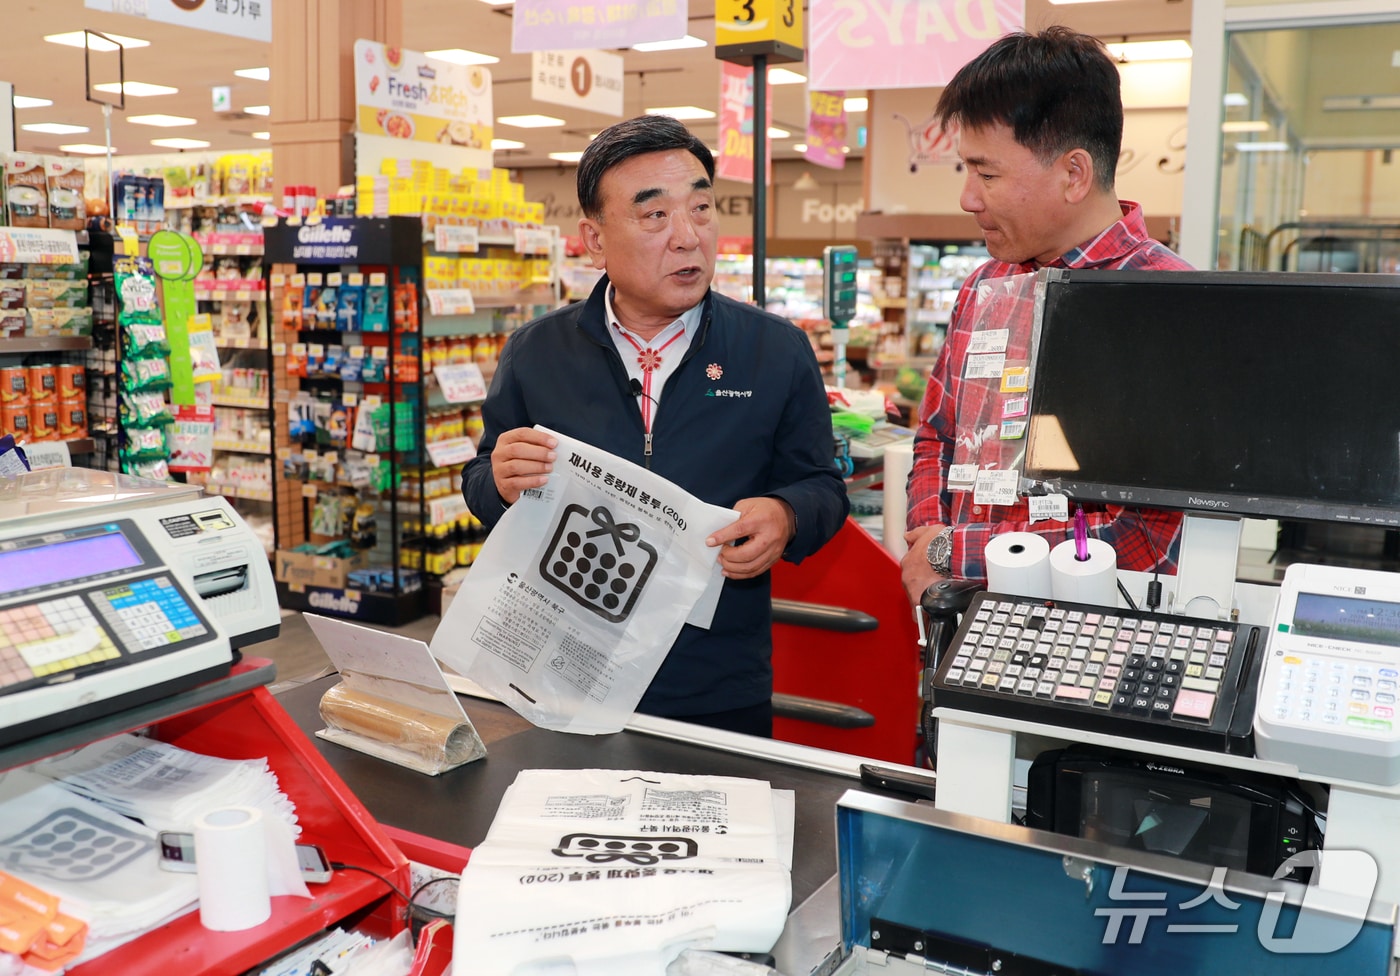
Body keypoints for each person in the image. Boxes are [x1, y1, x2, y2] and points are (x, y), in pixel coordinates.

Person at [462, 114, 849, 737]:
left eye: (701, 208)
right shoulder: (536, 352)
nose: (688, 237)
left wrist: (787, 515)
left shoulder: (775, 351)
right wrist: (499, 479)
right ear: (593, 239)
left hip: (714, 679)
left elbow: (821, 484)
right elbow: (482, 479)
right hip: (560, 672)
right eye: (654, 215)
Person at [902, 27, 1192, 605]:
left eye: (987, 174)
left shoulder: (1171, 305)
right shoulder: (986, 286)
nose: (968, 198)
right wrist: (929, 541)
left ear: (1073, 174)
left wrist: (949, 551)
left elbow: (1146, 537)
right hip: (956, 622)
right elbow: (938, 435)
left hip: (1092, 643)